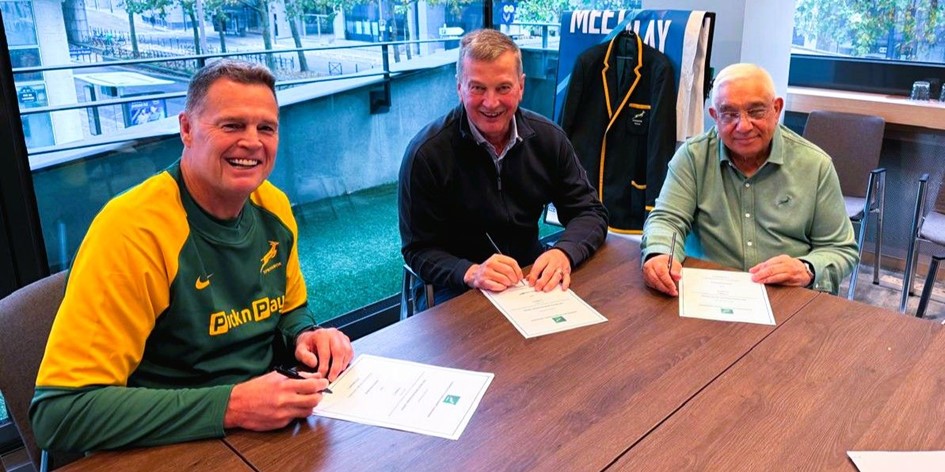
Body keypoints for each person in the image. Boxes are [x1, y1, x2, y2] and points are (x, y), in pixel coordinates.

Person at [30, 60, 354, 453]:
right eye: (232, 125)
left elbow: (289, 310)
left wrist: (305, 335)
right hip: (165, 447)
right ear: (186, 129)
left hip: (264, 431)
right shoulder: (132, 231)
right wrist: (232, 406)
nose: (252, 142)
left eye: (266, 128)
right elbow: (60, 415)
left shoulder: (274, 206)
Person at [399, 29, 607, 306]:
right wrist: (471, 272)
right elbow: (418, 250)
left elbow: (590, 212)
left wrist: (564, 252)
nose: (491, 102)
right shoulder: (426, 154)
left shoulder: (549, 139)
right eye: (477, 88)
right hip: (454, 287)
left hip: (527, 276)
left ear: (521, 86)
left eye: (503, 88)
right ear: (459, 88)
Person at [640, 63, 858, 296]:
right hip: (709, 291)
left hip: (787, 296)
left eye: (756, 112)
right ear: (715, 116)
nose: (743, 126)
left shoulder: (815, 165)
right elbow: (668, 219)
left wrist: (807, 268)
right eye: (729, 114)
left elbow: (840, 248)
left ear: (776, 109)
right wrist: (660, 253)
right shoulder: (693, 157)